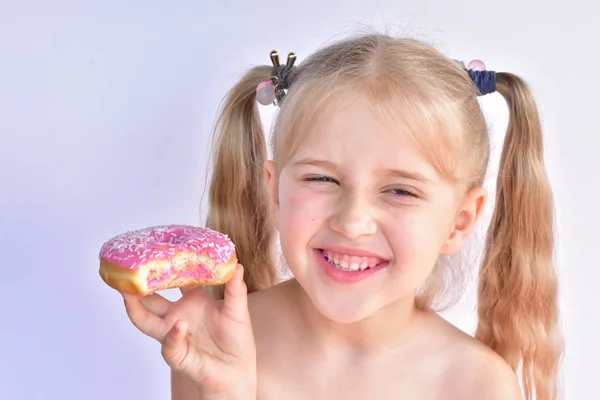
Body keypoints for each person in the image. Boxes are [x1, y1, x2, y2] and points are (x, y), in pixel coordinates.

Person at [122, 33, 563, 400]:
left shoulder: (475, 385)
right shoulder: (216, 341)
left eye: (400, 190)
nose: (353, 222)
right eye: (323, 179)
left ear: (460, 222)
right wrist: (226, 391)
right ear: (273, 190)